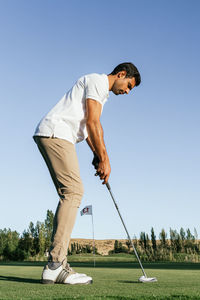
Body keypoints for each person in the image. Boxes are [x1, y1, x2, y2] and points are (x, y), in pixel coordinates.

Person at [33, 62, 141, 284]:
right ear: (121, 74)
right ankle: (55, 264)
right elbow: (93, 122)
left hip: (57, 134)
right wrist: (105, 159)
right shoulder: (98, 81)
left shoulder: (100, 91)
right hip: (57, 133)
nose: (127, 91)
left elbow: (88, 130)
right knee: (73, 192)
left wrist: (96, 154)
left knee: (71, 193)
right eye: (128, 85)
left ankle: (58, 264)